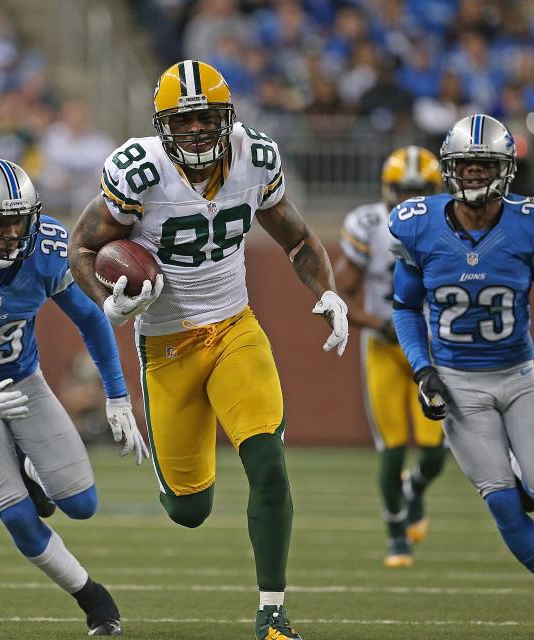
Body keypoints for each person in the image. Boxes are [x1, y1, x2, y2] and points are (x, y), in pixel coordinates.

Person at [68, 60, 349, 640]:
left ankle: (272, 613)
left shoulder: (255, 158)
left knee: (267, 461)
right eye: (184, 119)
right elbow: (81, 247)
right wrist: (106, 301)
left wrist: (328, 294)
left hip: (234, 328)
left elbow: (296, 238)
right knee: (188, 510)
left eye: (206, 118)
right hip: (167, 346)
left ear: (227, 118)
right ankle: (187, 492)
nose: (196, 129)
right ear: (163, 124)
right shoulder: (139, 170)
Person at [0, 158, 149, 637]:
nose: (12, 235)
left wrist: (118, 397)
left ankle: (30, 463)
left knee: (81, 505)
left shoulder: (46, 249)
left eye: (19, 221)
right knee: (18, 515)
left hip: (22, 380)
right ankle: (91, 598)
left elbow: (91, 318)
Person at [389, 114, 534, 636]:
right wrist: (423, 371)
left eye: (485, 165)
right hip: (459, 386)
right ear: (448, 168)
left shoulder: (533, 224)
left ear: (505, 171)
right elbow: (405, 309)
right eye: (466, 164)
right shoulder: (416, 224)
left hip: (518, 375)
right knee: (503, 505)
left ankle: (528, 483)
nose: (475, 174)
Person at [334, 146, 448, 568]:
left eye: (420, 191)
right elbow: (339, 291)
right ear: (387, 190)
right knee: (392, 447)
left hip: (433, 349)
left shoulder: (454, 226)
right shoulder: (371, 226)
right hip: (385, 346)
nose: (410, 201)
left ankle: (413, 490)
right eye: (403, 191)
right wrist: (377, 323)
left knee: (435, 449)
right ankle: (396, 534)